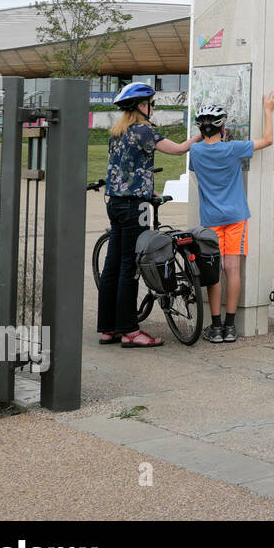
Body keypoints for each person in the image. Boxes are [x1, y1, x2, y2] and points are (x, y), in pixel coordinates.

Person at [97, 82, 200, 348]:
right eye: (151, 104)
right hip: (135, 208)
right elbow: (177, 149)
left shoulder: (117, 132)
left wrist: (147, 188)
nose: (152, 108)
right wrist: (198, 137)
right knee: (130, 267)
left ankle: (109, 328)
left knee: (113, 265)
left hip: (116, 204)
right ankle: (131, 330)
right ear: (141, 106)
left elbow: (128, 169)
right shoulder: (143, 131)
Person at [189, 95, 274, 343]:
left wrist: (202, 135)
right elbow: (268, 140)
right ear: (223, 128)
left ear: (201, 129)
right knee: (233, 269)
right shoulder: (233, 148)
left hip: (211, 221)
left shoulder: (195, 151)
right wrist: (268, 110)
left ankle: (215, 327)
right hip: (236, 216)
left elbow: (197, 156)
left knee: (214, 272)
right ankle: (230, 326)